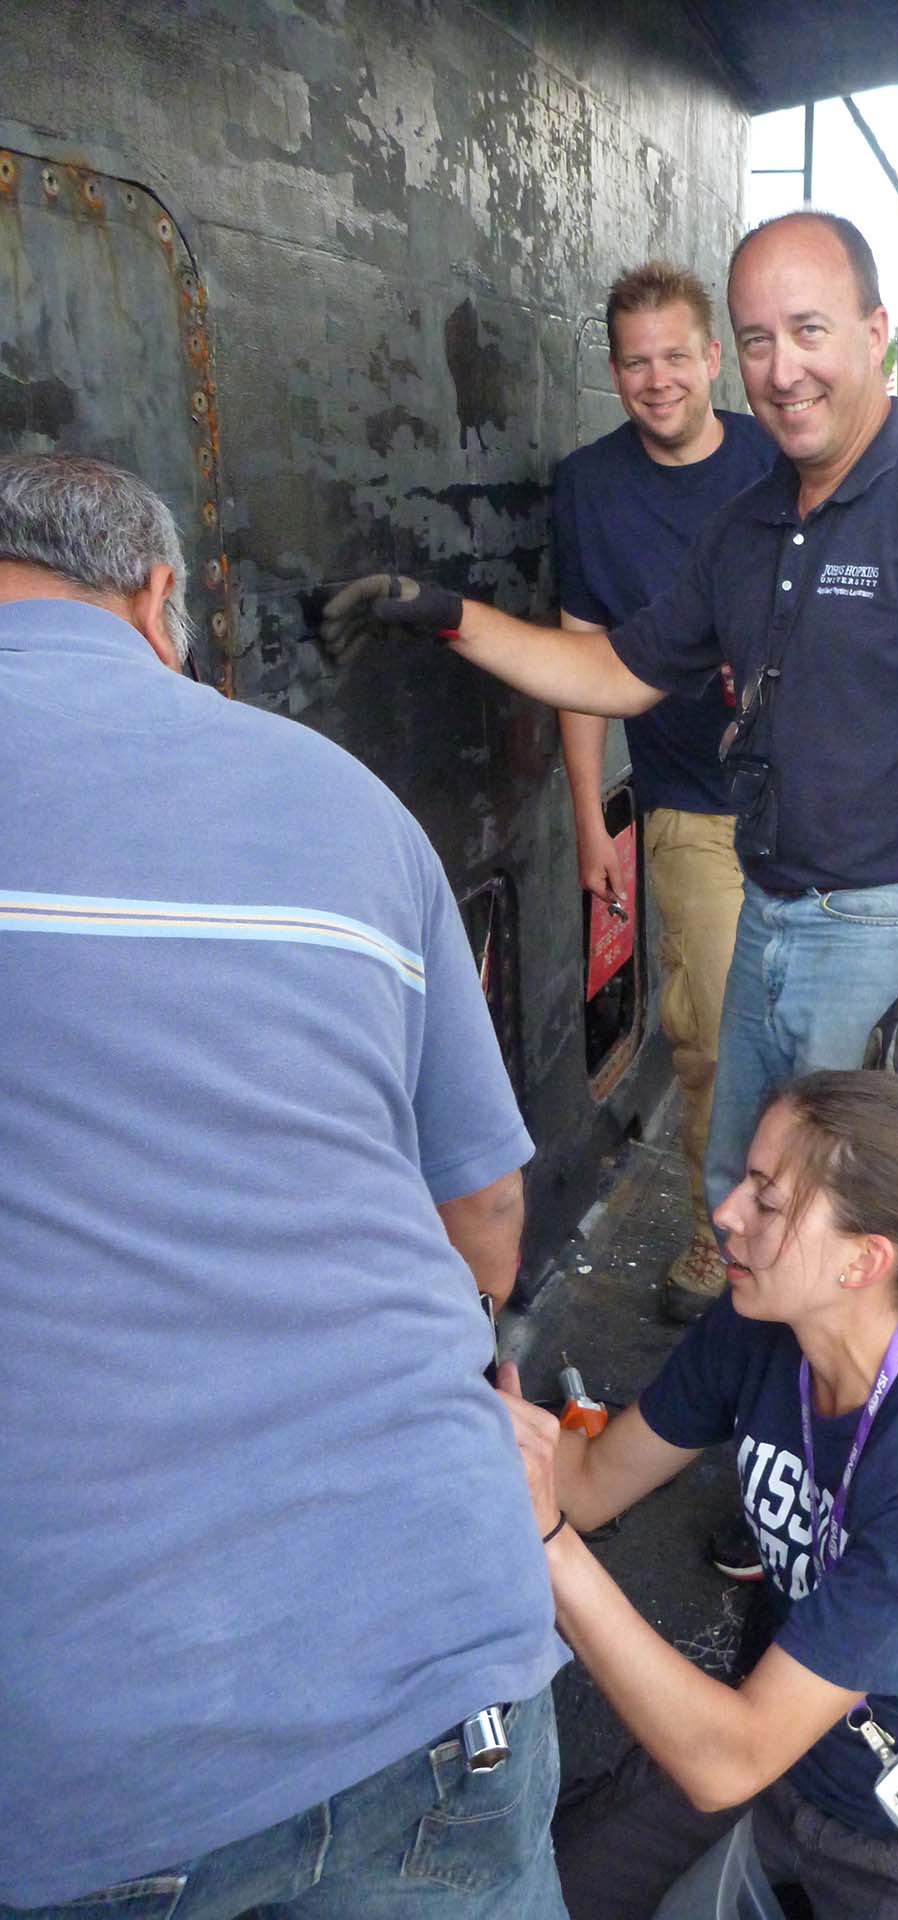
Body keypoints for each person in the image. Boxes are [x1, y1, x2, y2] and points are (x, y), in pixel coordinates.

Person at [0, 454, 568, 1917]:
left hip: (79, 1758)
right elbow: (487, 1221)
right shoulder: (346, 800)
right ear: (161, 599)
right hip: (439, 1669)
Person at [322, 210, 898, 1220]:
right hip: (771, 912)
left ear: (877, 332)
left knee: (854, 1228)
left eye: (810, 331)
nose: (783, 369)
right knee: (745, 1197)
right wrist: (447, 617)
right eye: (760, 341)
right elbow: (618, 669)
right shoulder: (750, 524)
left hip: (887, 928)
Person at [496, 1069, 898, 1920]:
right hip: (784, 1753)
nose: (727, 1213)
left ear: (863, 1260)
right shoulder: (757, 1323)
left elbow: (728, 1758)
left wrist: (545, 1541)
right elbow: (586, 1488)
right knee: (549, 1891)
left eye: (768, 1200)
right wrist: (509, 1435)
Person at [553, 262, 773, 1322]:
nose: (658, 379)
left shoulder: (779, 456)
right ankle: (717, 1236)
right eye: (636, 362)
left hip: (819, 799)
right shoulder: (590, 488)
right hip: (693, 800)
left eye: (676, 356)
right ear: (614, 370)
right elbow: (582, 654)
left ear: (711, 360)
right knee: (716, 1039)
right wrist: (592, 815)